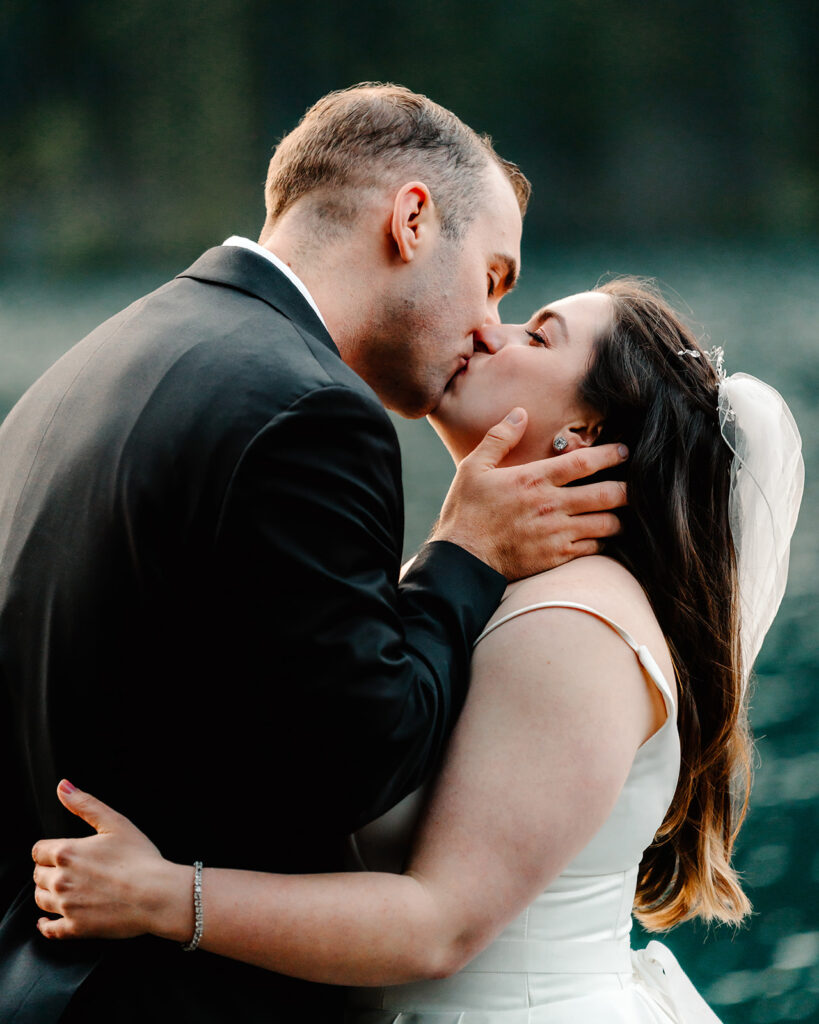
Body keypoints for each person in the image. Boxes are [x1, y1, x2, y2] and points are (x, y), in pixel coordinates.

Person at [0, 85, 629, 1023]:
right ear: (412, 221)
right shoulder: (308, 409)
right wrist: (464, 552)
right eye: (493, 278)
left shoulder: (82, 369)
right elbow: (364, 759)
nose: (489, 327)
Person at [29, 279, 804, 1022]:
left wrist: (163, 898)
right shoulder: (478, 582)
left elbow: (441, 926)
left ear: (585, 439)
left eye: (535, 335)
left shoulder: (575, 624)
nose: (485, 331)